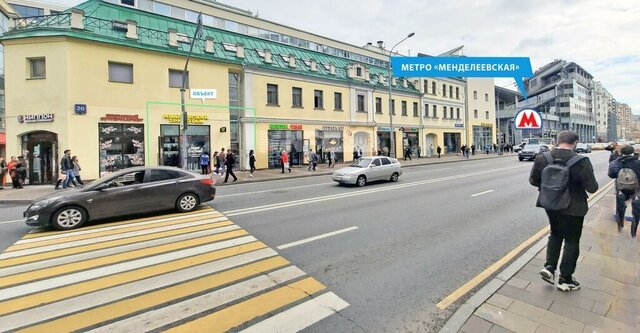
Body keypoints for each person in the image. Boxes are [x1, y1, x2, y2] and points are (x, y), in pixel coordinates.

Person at [529, 131, 598, 292]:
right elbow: (592, 187)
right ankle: (565, 279)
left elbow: (533, 181)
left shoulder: (543, 158)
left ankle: (550, 267)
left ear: (557, 141)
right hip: (574, 207)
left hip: (551, 205)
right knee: (572, 240)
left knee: (555, 234)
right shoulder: (582, 161)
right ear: (575, 143)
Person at [608, 145, 640, 236]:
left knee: (620, 207)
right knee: (637, 210)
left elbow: (611, 175)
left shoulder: (615, 163)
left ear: (621, 152)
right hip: (636, 190)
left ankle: (620, 224)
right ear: (632, 152)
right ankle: (634, 229)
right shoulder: (638, 163)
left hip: (621, 189)